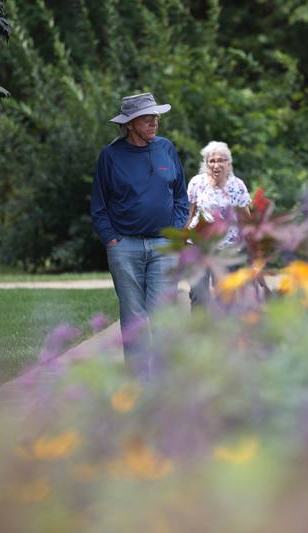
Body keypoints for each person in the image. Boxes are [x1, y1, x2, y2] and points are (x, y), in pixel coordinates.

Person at [91, 92, 189, 376]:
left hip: (163, 244)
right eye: (147, 118)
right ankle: (137, 385)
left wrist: (177, 231)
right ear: (130, 124)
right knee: (133, 319)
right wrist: (111, 239)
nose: (154, 122)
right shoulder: (110, 156)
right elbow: (99, 205)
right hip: (125, 246)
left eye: (155, 117)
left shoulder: (166, 149)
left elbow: (180, 195)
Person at [185, 141, 251, 309]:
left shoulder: (237, 186)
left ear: (228, 164)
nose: (216, 165)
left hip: (227, 248)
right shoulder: (196, 183)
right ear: (206, 164)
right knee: (198, 294)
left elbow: (246, 219)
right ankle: (199, 333)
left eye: (221, 160)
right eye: (211, 161)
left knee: (226, 297)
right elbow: (189, 214)